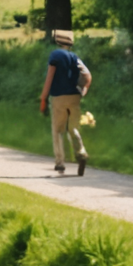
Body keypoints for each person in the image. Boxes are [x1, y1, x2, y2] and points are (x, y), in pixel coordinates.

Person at [38, 29, 92, 175]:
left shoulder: (55, 55)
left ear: (57, 41)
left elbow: (50, 77)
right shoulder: (75, 57)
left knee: (58, 130)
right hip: (74, 97)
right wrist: (84, 90)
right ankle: (81, 153)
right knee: (73, 128)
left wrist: (43, 97)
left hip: (58, 97)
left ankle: (60, 163)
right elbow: (87, 75)